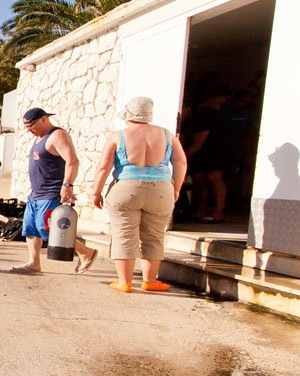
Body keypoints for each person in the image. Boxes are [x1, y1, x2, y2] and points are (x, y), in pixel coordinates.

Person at [89, 97, 189, 293]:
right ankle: (150, 280)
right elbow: (181, 162)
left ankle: (124, 282)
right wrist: (176, 188)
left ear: (128, 116)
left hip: (126, 187)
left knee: (124, 233)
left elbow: (104, 167)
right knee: (154, 235)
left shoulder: (118, 136)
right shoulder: (167, 135)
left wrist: (96, 191)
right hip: (161, 189)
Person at [11, 107, 98, 274]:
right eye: (27, 127)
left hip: (51, 191)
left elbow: (72, 161)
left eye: (31, 125)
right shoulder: (39, 137)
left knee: (49, 228)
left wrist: (67, 185)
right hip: (36, 193)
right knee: (30, 229)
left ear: (44, 119)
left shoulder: (57, 135)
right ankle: (33, 262)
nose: (29, 130)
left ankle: (86, 253)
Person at [185, 90, 231, 223]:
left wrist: (184, 157)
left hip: (211, 151)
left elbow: (198, 142)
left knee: (213, 178)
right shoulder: (217, 114)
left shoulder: (205, 115)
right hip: (211, 151)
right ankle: (205, 210)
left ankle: (216, 212)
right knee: (202, 179)